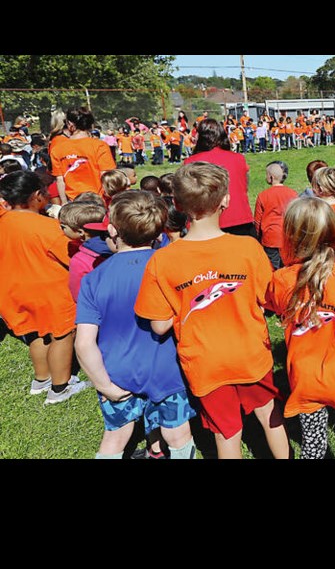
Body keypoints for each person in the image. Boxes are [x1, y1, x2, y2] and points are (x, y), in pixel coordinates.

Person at [134, 162, 289, 460]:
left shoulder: (162, 260)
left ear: (176, 203)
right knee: (270, 416)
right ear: (226, 201)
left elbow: (159, 325)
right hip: (250, 353)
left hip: (205, 362)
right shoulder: (248, 248)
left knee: (226, 432)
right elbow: (270, 300)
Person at [74, 190, 197, 459]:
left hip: (117, 372)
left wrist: (104, 385)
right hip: (168, 371)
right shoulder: (170, 268)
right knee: (178, 435)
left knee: (115, 439)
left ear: (111, 230)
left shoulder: (94, 279)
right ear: (159, 230)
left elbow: (83, 343)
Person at [265, 198, 335, 459]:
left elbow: (276, 307)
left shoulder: (281, 280)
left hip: (304, 378)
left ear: (290, 237)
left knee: (312, 447)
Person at [0, 171, 91, 404]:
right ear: (37, 196)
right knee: (62, 334)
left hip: (13, 290)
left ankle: (42, 380)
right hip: (48, 291)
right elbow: (71, 257)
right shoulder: (47, 227)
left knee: (34, 334)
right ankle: (60, 387)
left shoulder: (4, 221)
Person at [183, 118, 256, 237]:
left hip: (207, 222)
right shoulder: (238, 158)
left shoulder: (191, 162)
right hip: (240, 217)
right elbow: (245, 185)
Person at [49, 106, 117, 203]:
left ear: (70, 124)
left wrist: (64, 203)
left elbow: (60, 180)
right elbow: (106, 175)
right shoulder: (99, 145)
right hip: (98, 201)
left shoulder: (57, 149)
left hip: (74, 203)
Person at [254, 161, 298, 270]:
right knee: (288, 267)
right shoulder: (293, 193)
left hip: (270, 238)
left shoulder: (263, 195)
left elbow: (257, 221)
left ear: (271, 177)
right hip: (288, 237)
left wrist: (258, 238)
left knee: (272, 268)